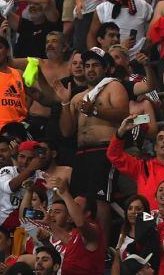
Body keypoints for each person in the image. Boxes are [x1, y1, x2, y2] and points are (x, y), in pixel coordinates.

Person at [53, 48, 128, 239]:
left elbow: (123, 114)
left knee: (101, 199)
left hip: (105, 150)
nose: (90, 69)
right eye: (87, 66)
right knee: (79, 200)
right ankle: (82, 244)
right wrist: (64, 103)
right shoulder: (78, 97)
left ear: (106, 69)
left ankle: (101, 248)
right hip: (81, 154)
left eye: (95, 65)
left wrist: (95, 111)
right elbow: (66, 131)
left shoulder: (113, 86)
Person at [107, 116, 164, 209]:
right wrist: (121, 131)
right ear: (155, 147)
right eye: (160, 138)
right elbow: (114, 155)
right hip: (148, 221)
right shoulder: (142, 167)